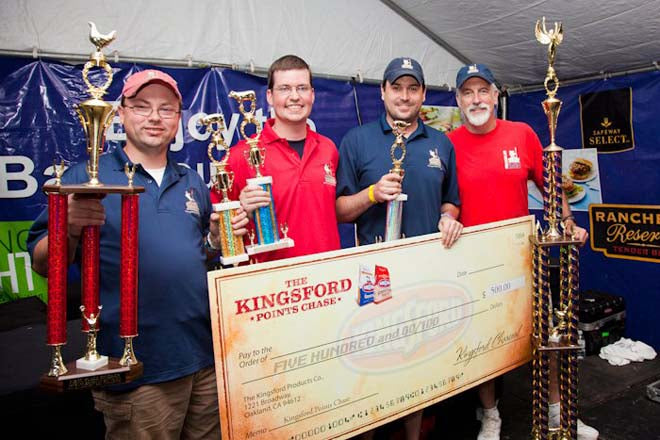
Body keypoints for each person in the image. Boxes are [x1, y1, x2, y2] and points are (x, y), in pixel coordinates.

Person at [28, 69, 247, 439]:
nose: (155, 117)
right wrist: (68, 224)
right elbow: (43, 263)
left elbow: (202, 256)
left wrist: (214, 240)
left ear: (179, 119)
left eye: (166, 109)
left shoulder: (191, 180)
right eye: (142, 106)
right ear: (121, 113)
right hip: (137, 370)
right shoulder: (88, 177)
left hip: (205, 358)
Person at [447, 63, 598, 440]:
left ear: (496, 96)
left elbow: (551, 187)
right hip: (474, 264)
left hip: (523, 260)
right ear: (458, 100)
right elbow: (443, 200)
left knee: (547, 338)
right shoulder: (446, 143)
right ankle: (490, 414)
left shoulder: (523, 133)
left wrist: (566, 223)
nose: (476, 99)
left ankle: (558, 414)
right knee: (485, 347)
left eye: (483, 91)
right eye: (468, 92)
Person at [336, 57, 463, 440]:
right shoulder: (356, 140)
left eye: (412, 88)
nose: (404, 96)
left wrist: (448, 216)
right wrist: (373, 194)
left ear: (423, 94)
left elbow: (451, 199)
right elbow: (341, 211)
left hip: (426, 270)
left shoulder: (441, 143)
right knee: (373, 361)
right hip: (376, 274)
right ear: (383, 91)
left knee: (417, 360)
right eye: (397, 87)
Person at [221, 54, 340, 261]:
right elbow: (221, 233)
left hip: (327, 279)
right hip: (274, 286)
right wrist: (241, 211)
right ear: (269, 96)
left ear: (312, 95)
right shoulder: (240, 156)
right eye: (284, 89)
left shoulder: (328, 149)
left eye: (302, 88)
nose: (294, 96)